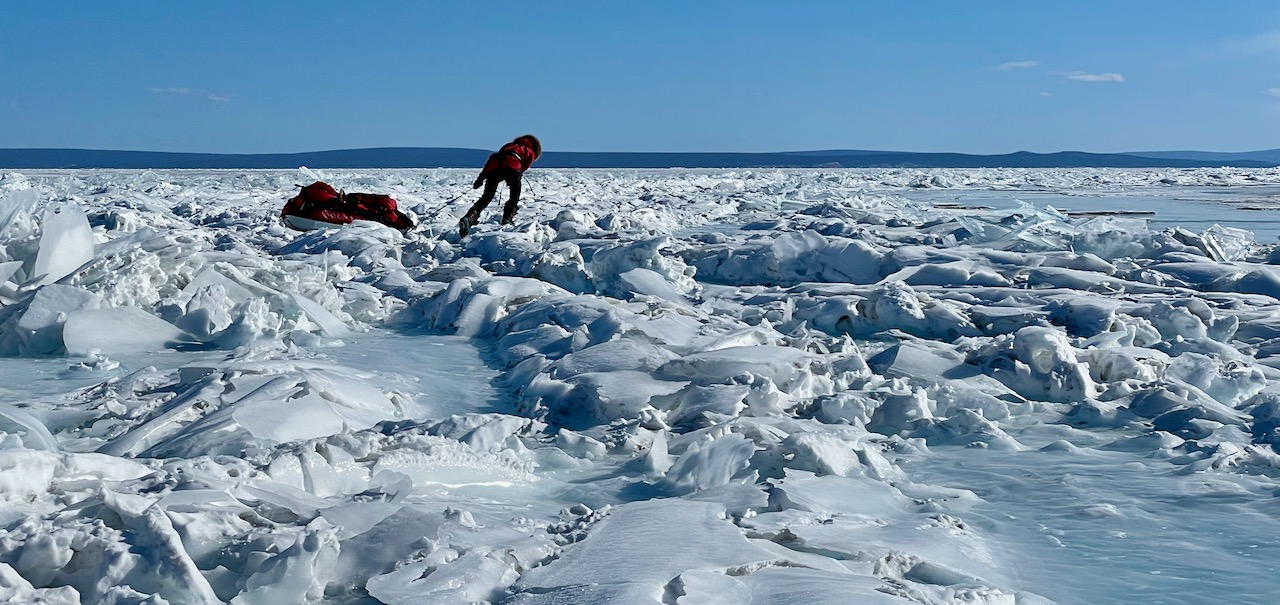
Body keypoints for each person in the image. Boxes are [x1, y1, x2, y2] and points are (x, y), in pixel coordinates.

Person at [458, 134, 542, 237]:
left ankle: (469, 217)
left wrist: (480, 179)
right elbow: (524, 167)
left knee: (487, 197)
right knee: (514, 196)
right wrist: (516, 175)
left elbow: (496, 158)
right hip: (512, 168)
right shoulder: (528, 150)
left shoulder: (509, 145)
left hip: (494, 169)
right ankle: (507, 219)